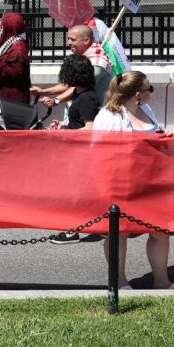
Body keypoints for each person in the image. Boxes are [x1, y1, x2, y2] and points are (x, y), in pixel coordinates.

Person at [89, 70, 174, 289]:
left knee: (159, 232)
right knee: (119, 233)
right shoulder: (109, 117)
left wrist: (162, 136)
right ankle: (119, 283)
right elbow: (99, 154)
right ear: (138, 94)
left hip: (151, 183)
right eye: (150, 88)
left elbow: (152, 137)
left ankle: (162, 282)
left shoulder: (145, 109)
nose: (153, 92)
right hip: (121, 184)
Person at [38, 54, 104, 244]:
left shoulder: (87, 98)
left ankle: (71, 231)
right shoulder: (81, 94)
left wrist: (65, 131)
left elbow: (90, 128)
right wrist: (64, 125)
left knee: (74, 193)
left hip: (81, 152)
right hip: (76, 149)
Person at [0, 12, 31, 126]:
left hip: (14, 98)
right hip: (5, 96)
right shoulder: (10, 42)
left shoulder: (19, 46)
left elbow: (15, 72)